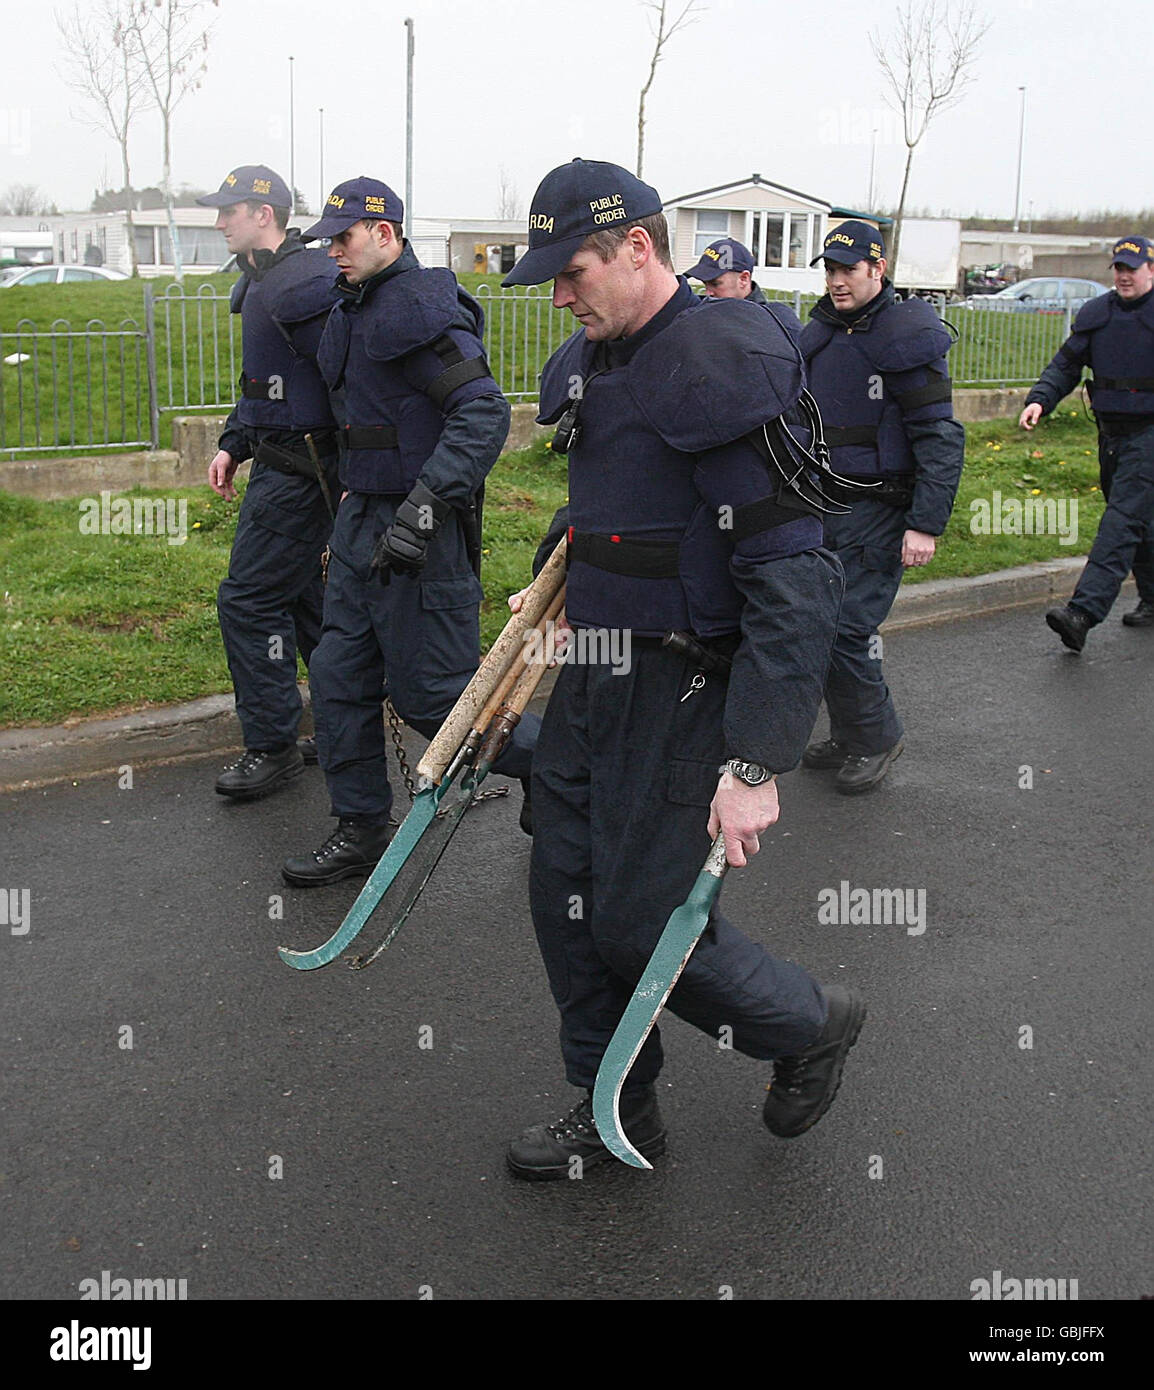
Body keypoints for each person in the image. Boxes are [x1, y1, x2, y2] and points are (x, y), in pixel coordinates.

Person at [498, 158, 864, 1179]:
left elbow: (794, 575)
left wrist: (755, 764)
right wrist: (554, 587)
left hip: (689, 683)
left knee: (634, 923)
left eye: (572, 273)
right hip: (595, 676)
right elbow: (613, 503)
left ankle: (804, 1023)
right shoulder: (598, 357)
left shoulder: (719, 361)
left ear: (639, 249)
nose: (560, 298)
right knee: (562, 896)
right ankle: (614, 1103)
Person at [282, 177, 535, 886]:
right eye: (329, 239)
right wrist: (351, 520)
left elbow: (482, 415)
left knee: (435, 698)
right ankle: (360, 826)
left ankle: (561, 773)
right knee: (337, 678)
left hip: (422, 530)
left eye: (345, 238)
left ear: (386, 235)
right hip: (365, 519)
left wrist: (421, 514)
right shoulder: (353, 311)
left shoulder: (421, 309)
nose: (334, 251)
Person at [799, 220, 964, 793]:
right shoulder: (818, 333)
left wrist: (925, 523)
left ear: (878, 269)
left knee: (848, 628)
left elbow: (939, 436)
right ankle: (850, 732)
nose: (838, 281)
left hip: (883, 511)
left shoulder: (907, 335)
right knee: (819, 625)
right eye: (830, 269)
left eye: (849, 269)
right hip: (823, 506)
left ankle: (876, 737)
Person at [197, 165, 342, 800]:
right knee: (307, 602)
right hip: (279, 463)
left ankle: (273, 746)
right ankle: (341, 730)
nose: (220, 220)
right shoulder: (264, 280)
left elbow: (345, 376)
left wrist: (350, 473)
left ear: (265, 215)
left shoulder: (303, 281)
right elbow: (264, 380)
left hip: (301, 476)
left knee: (249, 600)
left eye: (230, 210)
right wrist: (234, 443)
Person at [1021, 235, 1154, 650]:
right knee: (1141, 525)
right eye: (1118, 268)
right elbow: (1066, 365)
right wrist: (1040, 401)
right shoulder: (1098, 315)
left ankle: (1082, 612)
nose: (1124, 275)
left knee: (1121, 523)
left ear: (1152, 269)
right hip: (1111, 436)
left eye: (1132, 268)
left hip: (1150, 435)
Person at [683, 236, 768, 303]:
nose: (708, 293)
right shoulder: (705, 308)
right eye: (705, 284)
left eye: (715, 284)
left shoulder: (763, 321)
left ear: (743, 279)